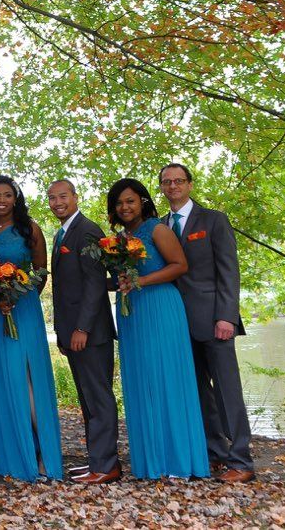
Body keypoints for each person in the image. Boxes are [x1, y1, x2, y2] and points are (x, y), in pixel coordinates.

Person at [108, 177, 209, 480]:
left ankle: (179, 459)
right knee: (141, 379)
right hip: (131, 313)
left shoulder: (158, 229)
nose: (125, 207)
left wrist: (142, 281)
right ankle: (150, 461)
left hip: (161, 308)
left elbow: (180, 265)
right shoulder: (119, 239)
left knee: (167, 378)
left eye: (130, 200)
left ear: (143, 201)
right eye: (120, 202)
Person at [160, 163, 254, 483]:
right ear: (161, 187)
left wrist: (227, 316)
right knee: (199, 392)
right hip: (176, 325)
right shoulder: (159, 226)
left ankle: (241, 460)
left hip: (215, 321)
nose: (173, 186)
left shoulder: (213, 220)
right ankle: (215, 453)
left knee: (227, 392)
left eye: (179, 181)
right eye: (167, 182)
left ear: (189, 184)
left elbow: (229, 271)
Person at [0, 176, 62, 482]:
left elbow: (40, 272)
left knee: (25, 379)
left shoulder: (30, 228)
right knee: (0, 379)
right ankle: (8, 454)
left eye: (8, 195)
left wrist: (15, 297)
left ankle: (40, 454)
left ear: (16, 198)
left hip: (22, 310)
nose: (2, 200)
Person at [46, 179, 119, 484]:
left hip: (90, 332)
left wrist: (81, 328)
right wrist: (64, 332)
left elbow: (93, 283)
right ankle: (96, 462)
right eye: (52, 198)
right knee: (88, 399)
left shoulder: (87, 230)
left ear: (76, 197)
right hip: (73, 332)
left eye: (63, 196)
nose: (57, 202)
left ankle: (106, 466)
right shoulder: (63, 233)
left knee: (98, 398)